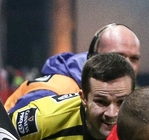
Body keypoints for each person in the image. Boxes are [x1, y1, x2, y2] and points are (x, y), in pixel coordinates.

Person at [4, 23, 141, 114]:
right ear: (93, 58)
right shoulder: (51, 93)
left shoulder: (123, 94)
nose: (127, 66)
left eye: (134, 59)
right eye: (118, 57)